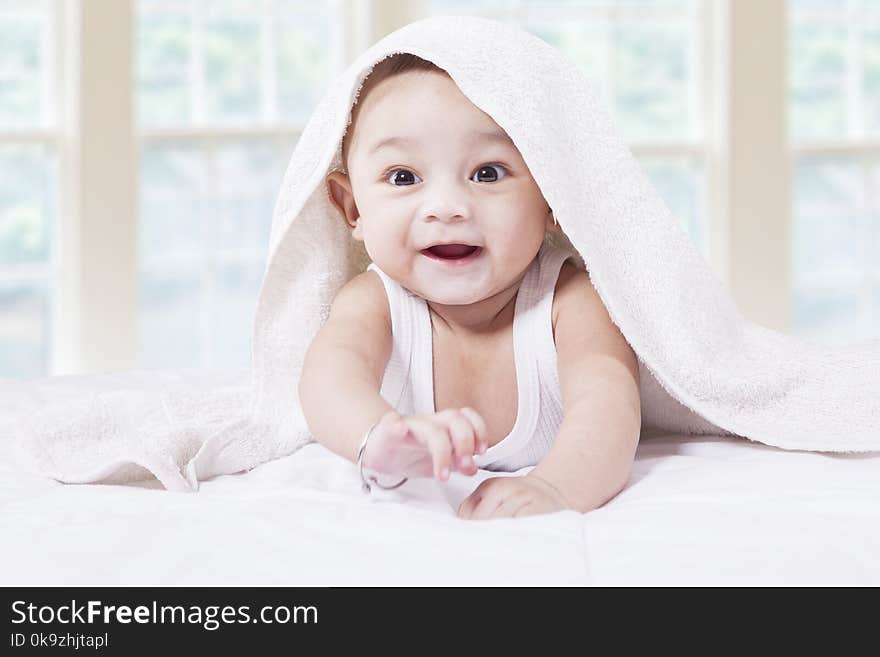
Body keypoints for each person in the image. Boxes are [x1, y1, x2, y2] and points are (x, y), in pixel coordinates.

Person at [298, 53, 641, 520]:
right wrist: (374, 437)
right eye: (403, 177)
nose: (447, 207)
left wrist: (556, 488)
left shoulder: (568, 301)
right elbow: (328, 380)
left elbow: (609, 404)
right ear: (353, 208)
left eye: (488, 173)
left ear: (553, 195)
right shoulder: (374, 303)